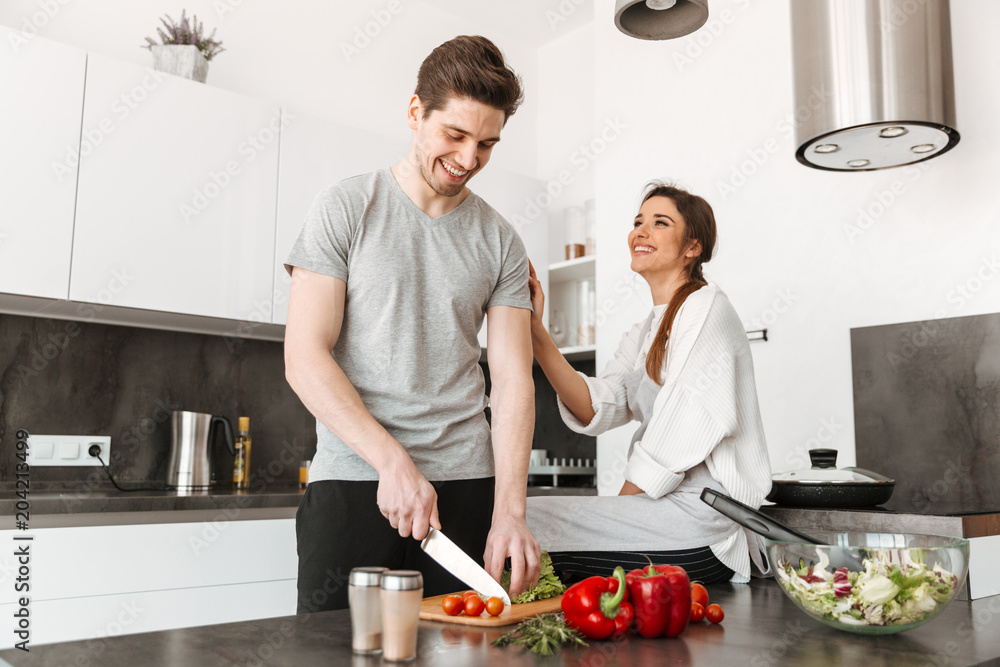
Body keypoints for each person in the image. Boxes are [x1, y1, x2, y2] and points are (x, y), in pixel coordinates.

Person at [284, 35, 540, 613]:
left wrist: (510, 512)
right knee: (337, 652)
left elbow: (513, 381)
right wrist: (391, 460)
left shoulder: (500, 240)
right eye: (455, 135)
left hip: (466, 490)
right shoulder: (346, 207)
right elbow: (305, 357)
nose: (470, 159)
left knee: (462, 654)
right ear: (414, 113)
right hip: (356, 481)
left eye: (487, 144)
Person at [525, 182, 773, 584]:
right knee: (521, 518)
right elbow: (597, 405)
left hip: (702, 524)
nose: (641, 231)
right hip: (665, 513)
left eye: (660, 223)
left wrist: (614, 517)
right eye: (638, 221)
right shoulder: (646, 331)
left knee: (525, 522)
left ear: (692, 247)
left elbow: (678, 430)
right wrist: (536, 330)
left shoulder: (706, 308)